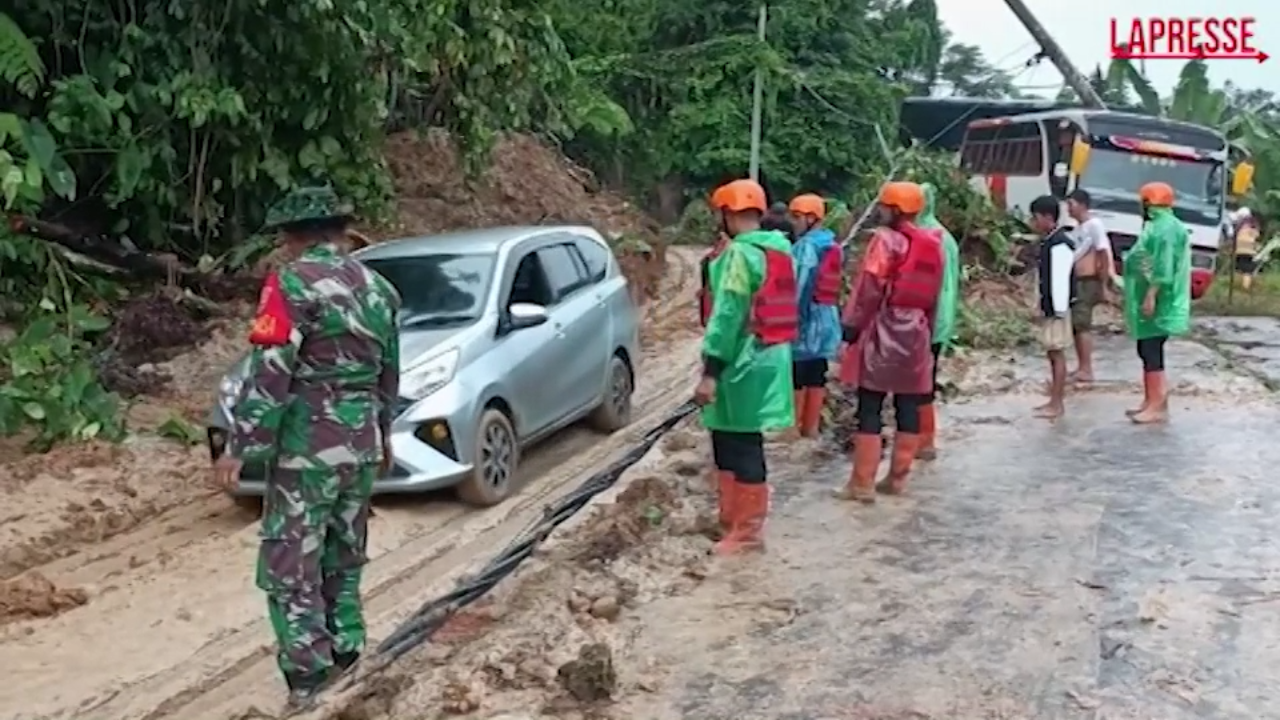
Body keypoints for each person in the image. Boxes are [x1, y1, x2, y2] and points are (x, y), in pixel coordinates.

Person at [210, 186, 401, 707]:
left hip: (306, 446)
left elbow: (271, 371)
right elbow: (389, 375)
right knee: (344, 553)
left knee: (290, 563)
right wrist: (382, 434)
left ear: (293, 237)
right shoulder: (379, 287)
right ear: (340, 231)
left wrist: (239, 444)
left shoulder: (290, 283)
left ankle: (309, 676)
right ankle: (348, 651)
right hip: (360, 443)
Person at [697, 178, 798, 554]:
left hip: (741, 360)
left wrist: (710, 371)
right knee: (729, 436)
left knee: (741, 443)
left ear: (727, 214)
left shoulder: (741, 255)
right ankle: (731, 519)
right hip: (768, 355)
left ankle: (747, 532)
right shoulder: (777, 249)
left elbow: (727, 314)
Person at [834, 181, 942, 502]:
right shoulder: (933, 244)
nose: (879, 210)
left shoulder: (886, 241)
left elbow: (870, 286)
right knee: (908, 404)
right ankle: (896, 479)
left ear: (894, 209)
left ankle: (862, 483)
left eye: (883, 205)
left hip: (884, 326)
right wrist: (928, 332)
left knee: (870, 404)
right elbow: (934, 296)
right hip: (918, 330)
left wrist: (851, 327)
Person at [1123, 181, 1190, 424]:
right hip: (1150, 295)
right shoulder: (1159, 225)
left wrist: (1151, 294)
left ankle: (1157, 405)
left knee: (1152, 349)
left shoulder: (1166, 229)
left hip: (1161, 299)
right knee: (1146, 348)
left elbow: (1164, 266)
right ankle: (1151, 400)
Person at [787, 193, 843, 438]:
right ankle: (810, 430)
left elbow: (799, 284)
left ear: (812, 218)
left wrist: (792, 318)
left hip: (807, 318)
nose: (794, 222)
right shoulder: (831, 243)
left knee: (798, 372)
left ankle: (792, 429)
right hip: (827, 317)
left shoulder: (806, 246)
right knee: (816, 372)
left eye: (797, 217)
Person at [914, 182, 960, 460]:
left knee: (915, 383)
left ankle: (921, 441)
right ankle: (925, 439)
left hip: (921, 319)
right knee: (927, 379)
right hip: (942, 320)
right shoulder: (947, 237)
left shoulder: (922, 235)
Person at [1029, 195, 1075, 420]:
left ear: (1048, 217)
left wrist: (1056, 310)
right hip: (1051, 306)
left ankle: (1057, 403)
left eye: (1035, 217)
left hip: (1058, 309)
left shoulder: (1060, 244)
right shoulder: (1050, 241)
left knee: (1057, 353)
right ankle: (1054, 400)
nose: (1033, 222)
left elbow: (1060, 281)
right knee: (1052, 353)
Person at [1065, 189, 1115, 384]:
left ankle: (1086, 368)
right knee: (1077, 325)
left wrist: (1104, 284)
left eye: (1071, 204)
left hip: (1089, 281)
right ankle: (1081, 366)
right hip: (1078, 281)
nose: (1068, 208)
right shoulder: (1078, 229)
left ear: (1082, 205)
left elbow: (1103, 253)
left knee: (1082, 324)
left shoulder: (1094, 225)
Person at [1229, 206, 1260, 291]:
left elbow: (1232, 236)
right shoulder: (1253, 225)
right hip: (1251, 251)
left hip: (1240, 250)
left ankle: (1243, 288)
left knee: (1243, 270)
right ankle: (1245, 287)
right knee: (1247, 271)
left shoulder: (1239, 226)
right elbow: (1257, 236)